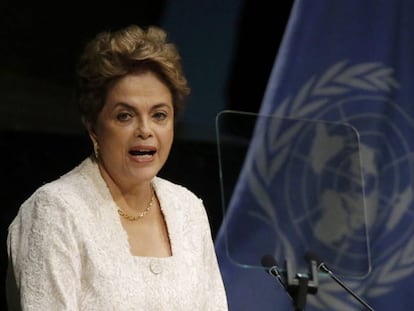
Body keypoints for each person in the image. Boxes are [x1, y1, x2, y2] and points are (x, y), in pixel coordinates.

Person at [6, 24, 228, 310]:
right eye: (125, 116)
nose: (145, 130)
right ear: (93, 127)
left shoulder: (188, 209)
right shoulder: (56, 210)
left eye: (159, 115)